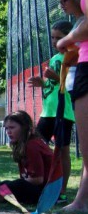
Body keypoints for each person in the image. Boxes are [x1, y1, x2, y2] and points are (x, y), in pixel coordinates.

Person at [55, 0, 88, 213]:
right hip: (78, 76)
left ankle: (79, 199)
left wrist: (65, 41)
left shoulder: (79, 22)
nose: (61, 5)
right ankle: (80, 200)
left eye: (63, 0)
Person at [27, 20, 75, 204]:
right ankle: (39, 183)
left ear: (70, 38)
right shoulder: (55, 59)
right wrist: (43, 83)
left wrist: (55, 77)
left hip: (64, 111)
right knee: (35, 144)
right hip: (47, 112)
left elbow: (72, 84)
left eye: (59, 38)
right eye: (53, 38)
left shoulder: (74, 56)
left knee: (62, 150)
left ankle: (61, 192)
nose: (55, 41)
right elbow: (53, 85)